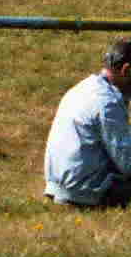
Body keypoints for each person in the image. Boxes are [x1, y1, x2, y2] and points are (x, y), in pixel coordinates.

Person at [44, 39, 131, 207]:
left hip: (60, 187)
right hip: (87, 190)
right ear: (127, 70)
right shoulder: (108, 102)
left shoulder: (84, 88)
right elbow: (127, 162)